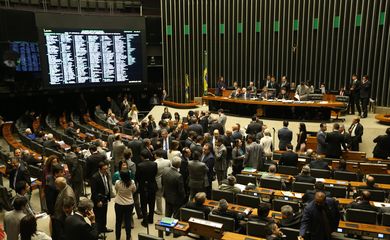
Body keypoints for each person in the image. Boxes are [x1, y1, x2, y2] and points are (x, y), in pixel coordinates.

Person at [90, 161, 113, 234]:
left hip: (105, 198)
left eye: (107, 169)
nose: (106, 170)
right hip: (98, 200)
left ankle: (103, 228)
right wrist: (97, 201)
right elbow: (94, 191)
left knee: (104, 215)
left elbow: (107, 186)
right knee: (98, 216)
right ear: (100, 169)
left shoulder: (105, 174)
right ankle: (97, 232)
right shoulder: (95, 177)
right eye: (104, 169)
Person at [136, 150, 158, 227]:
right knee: (152, 203)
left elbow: (137, 177)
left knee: (144, 204)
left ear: (142, 157)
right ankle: (151, 219)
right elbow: (155, 174)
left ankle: (145, 221)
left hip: (143, 187)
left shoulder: (139, 165)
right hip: (152, 186)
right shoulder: (154, 164)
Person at [114, 170, 136, 240]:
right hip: (129, 204)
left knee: (118, 222)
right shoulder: (132, 182)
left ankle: (117, 238)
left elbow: (116, 190)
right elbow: (134, 191)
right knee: (128, 221)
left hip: (119, 204)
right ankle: (128, 237)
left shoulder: (117, 183)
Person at [154, 149, 171, 215]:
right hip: (166, 180)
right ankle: (168, 210)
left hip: (158, 181)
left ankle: (159, 210)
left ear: (155, 155)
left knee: (158, 196)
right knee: (166, 196)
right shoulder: (168, 161)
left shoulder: (155, 163)